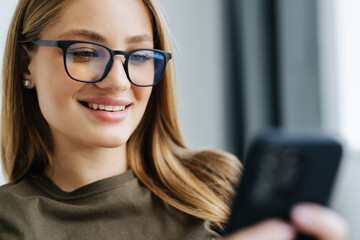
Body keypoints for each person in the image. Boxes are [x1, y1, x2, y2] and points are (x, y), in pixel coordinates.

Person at [0, 0, 348, 239]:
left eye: (139, 56)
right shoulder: (10, 221)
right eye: (86, 52)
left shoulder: (217, 184)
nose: (118, 81)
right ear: (26, 62)